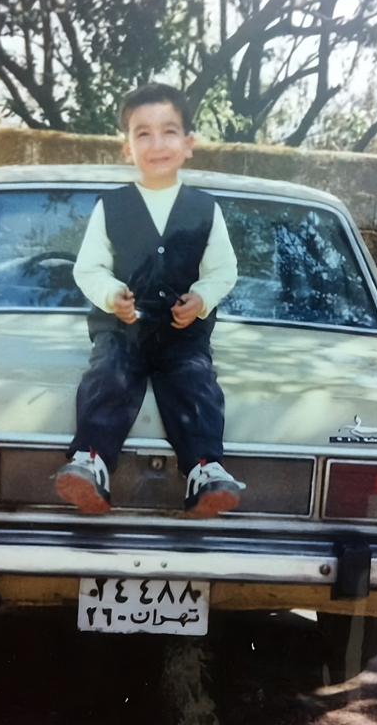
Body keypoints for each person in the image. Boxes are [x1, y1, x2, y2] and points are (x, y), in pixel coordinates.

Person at [55, 82, 245, 517]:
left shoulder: (205, 209)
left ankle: (205, 472)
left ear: (189, 144)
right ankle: (90, 465)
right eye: (143, 133)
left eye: (169, 131)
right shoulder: (111, 206)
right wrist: (112, 296)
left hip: (183, 334)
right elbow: (88, 268)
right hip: (123, 329)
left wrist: (200, 299)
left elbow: (222, 270)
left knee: (195, 382)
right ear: (128, 148)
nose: (157, 144)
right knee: (109, 375)